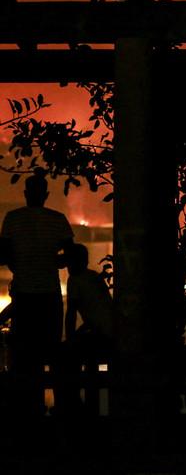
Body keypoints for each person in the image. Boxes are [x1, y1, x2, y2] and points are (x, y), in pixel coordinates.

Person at [0, 171, 74, 416]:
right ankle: (60, 409)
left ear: (25, 194)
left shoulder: (12, 219)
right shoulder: (58, 220)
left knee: (23, 356)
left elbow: (4, 253)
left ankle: (27, 410)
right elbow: (72, 256)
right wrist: (53, 261)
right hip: (49, 295)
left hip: (23, 296)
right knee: (51, 350)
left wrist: (19, 263)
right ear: (45, 195)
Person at [56, 243, 113, 414]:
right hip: (109, 334)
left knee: (65, 358)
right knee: (89, 369)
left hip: (100, 336)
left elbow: (71, 313)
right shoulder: (94, 277)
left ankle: (70, 406)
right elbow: (97, 314)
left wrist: (70, 339)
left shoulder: (75, 280)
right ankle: (87, 408)